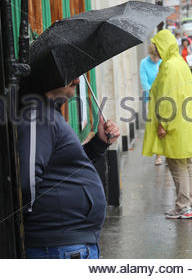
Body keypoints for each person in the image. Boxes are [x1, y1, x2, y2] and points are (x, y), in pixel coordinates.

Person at [18, 78, 121, 259]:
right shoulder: (38, 115)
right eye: (68, 75)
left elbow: (67, 164)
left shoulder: (51, 114)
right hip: (60, 246)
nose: (77, 79)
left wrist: (98, 143)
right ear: (47, 76)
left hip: (72, 244)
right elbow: (28, 180)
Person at [142, 30, 192, 219]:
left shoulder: (169, 66)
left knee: (176, 164)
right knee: (187, 164)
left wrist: (163, 123)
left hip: (175, 124)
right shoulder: (179, 63)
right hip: (185, 122)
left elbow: (167, 98)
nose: (154, 50)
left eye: (155, 47)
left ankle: (183, 206)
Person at [140, 43, 163, 165]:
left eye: (157, 57)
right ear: (150, 55)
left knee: (166, 124)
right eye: (154, 57)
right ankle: (158, 155)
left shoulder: (162, 62)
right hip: (151, 98)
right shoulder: (144, 63)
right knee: (155, 126)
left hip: (164, 97)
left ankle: (167, 151)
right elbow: (144, 82)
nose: (156, 59)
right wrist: (153, 93)